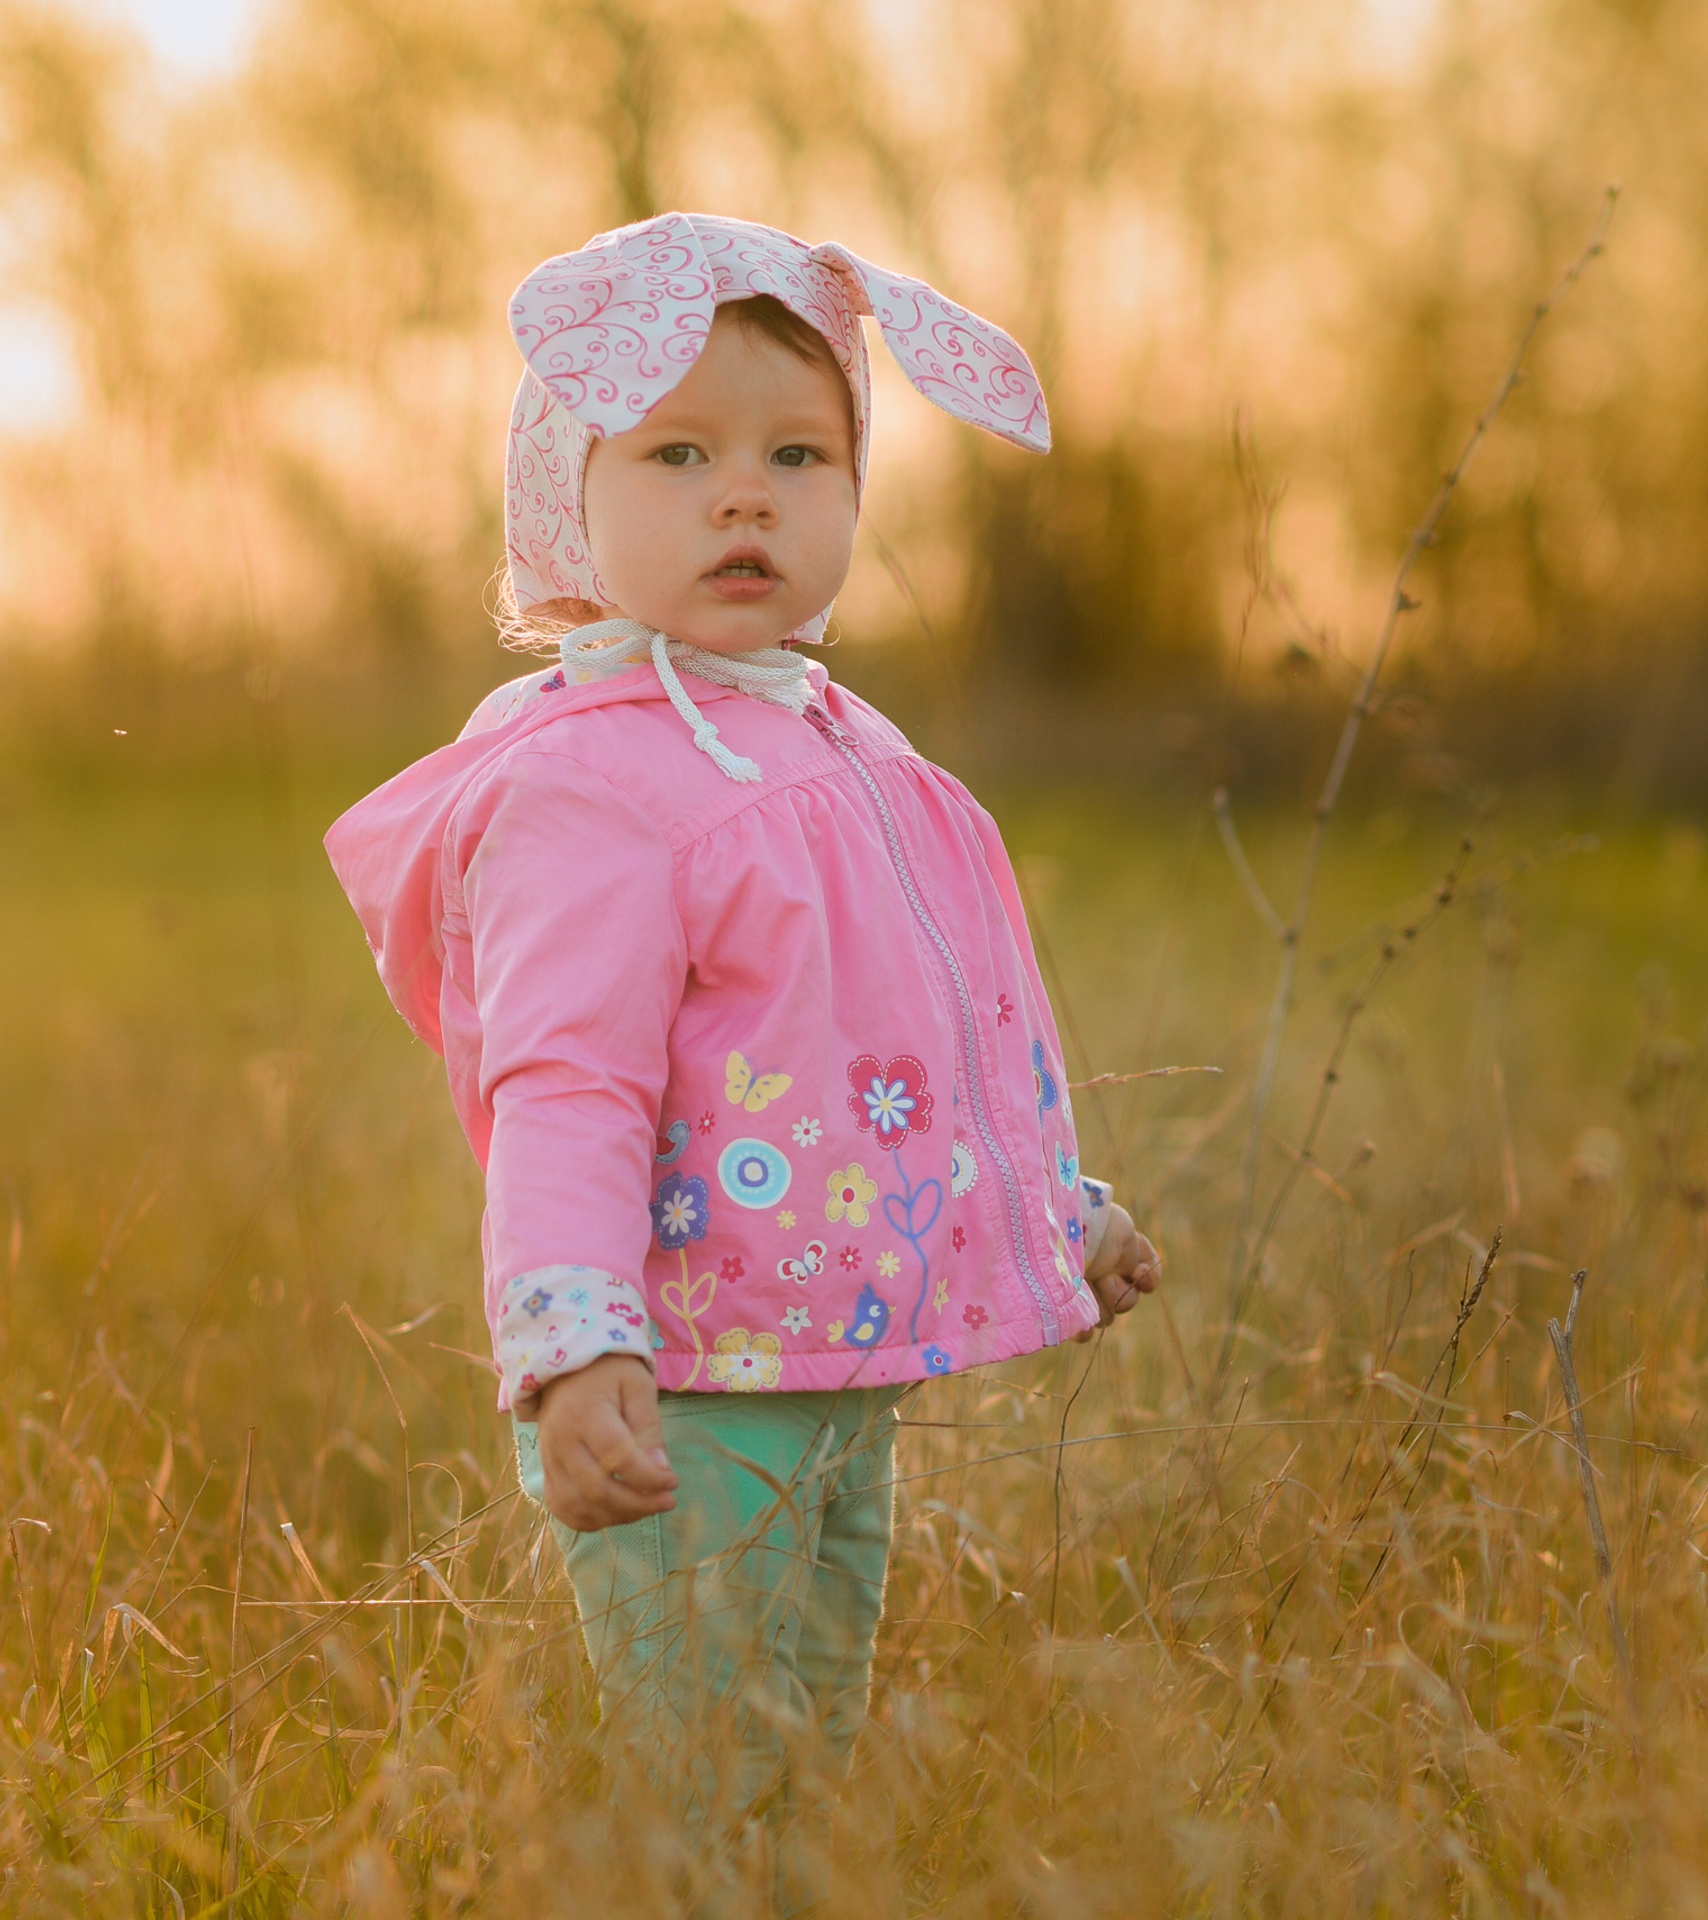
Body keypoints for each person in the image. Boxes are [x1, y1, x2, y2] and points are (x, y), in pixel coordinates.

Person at [325, 210, 1162, 1891]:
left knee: (802, 1765)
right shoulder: (593, 783)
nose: (744, 495)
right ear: (571, 491)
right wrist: (571, 1343)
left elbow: (896, 1034)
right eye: (678, 453)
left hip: (840, 1376)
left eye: (800, 451)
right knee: (703, 1782)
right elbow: (564, 1085)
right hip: (688, 1384)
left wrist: (1049, 1202)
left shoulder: (841, 742)